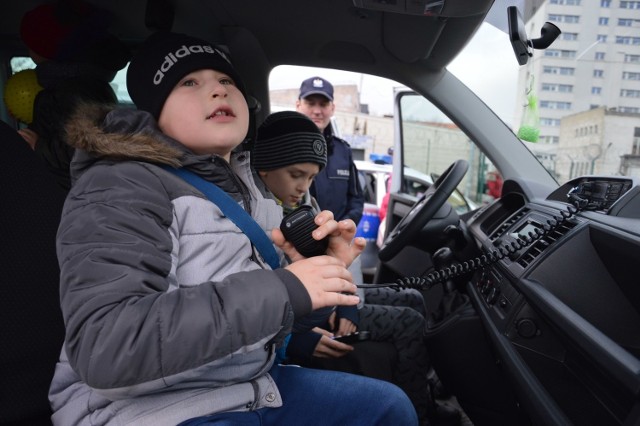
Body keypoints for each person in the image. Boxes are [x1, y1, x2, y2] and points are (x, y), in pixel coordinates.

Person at [47, 31, 418, 426]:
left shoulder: (249, 190)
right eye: (189, 83)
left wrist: (319, 279)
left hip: (244, 383)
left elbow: (264, 318)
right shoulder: (120, 186)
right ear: (155, 113)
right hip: (149, 410)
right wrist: (284, 288)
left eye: (226, 81)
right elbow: (108, 348)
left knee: (389, 408)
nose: (216, 92)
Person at [252, 110, 432, 424]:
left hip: (327, 300)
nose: (303, 186)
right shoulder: (256, 214)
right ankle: (422, 412)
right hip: (299, 316)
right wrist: (296, 341)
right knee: (408, 321)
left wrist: (345, 304)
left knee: (414, 298)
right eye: (296, 175)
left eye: (310, 177)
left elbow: (326, 260)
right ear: (265, 167)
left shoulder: (300, 203)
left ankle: (426, 391)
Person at [16, 0, 130, 190]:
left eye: (31, 45)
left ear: (46, 50)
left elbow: (87, 147)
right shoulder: (78, 85)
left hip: (69, 193)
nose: (29, 50)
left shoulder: (73, 91)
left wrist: (39, 146)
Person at [296, 76, 365, 287]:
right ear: (298, 105)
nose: (317, 110)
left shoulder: (343, 151)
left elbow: (356, 198)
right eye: (311, 103)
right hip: (299, 249)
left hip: (340, 244)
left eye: (323, 104)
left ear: (332, 108)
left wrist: (340, 229)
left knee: (352, 307)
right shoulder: (285, 151)